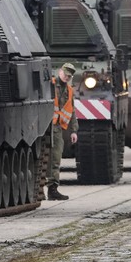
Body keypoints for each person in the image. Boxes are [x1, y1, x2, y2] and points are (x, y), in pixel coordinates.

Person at [47, 62, 79, 201]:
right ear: (60, 71)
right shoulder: (49, 84)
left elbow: (72, 112)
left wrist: (73, 131)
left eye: (69, 76)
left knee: (55, 158)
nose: (66, 77)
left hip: (57, 129)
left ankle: (52, 189)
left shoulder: (69, 91)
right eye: (65, 74)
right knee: (44, 158)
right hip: (45, 127)